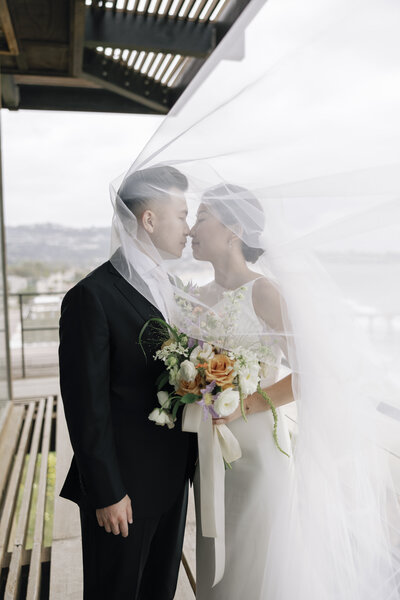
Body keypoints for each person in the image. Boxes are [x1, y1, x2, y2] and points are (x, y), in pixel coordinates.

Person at [58, 165, 197, 600]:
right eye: (182, 215)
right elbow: (86, 406)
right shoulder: (91, 296)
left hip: (173, 481)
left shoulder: (173, 286)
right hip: (122, 494)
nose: (189, 229)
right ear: (149, 220)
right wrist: (107, 492)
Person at [189, 184, 295, 599]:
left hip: (258, 452)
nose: (192, 229)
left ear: (233, 229)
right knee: (215, 566)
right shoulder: (196, 298)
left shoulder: (264, 292)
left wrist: (242, 405)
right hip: (207, 453)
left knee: (253, 568)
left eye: (201, 217)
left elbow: (310, 374)